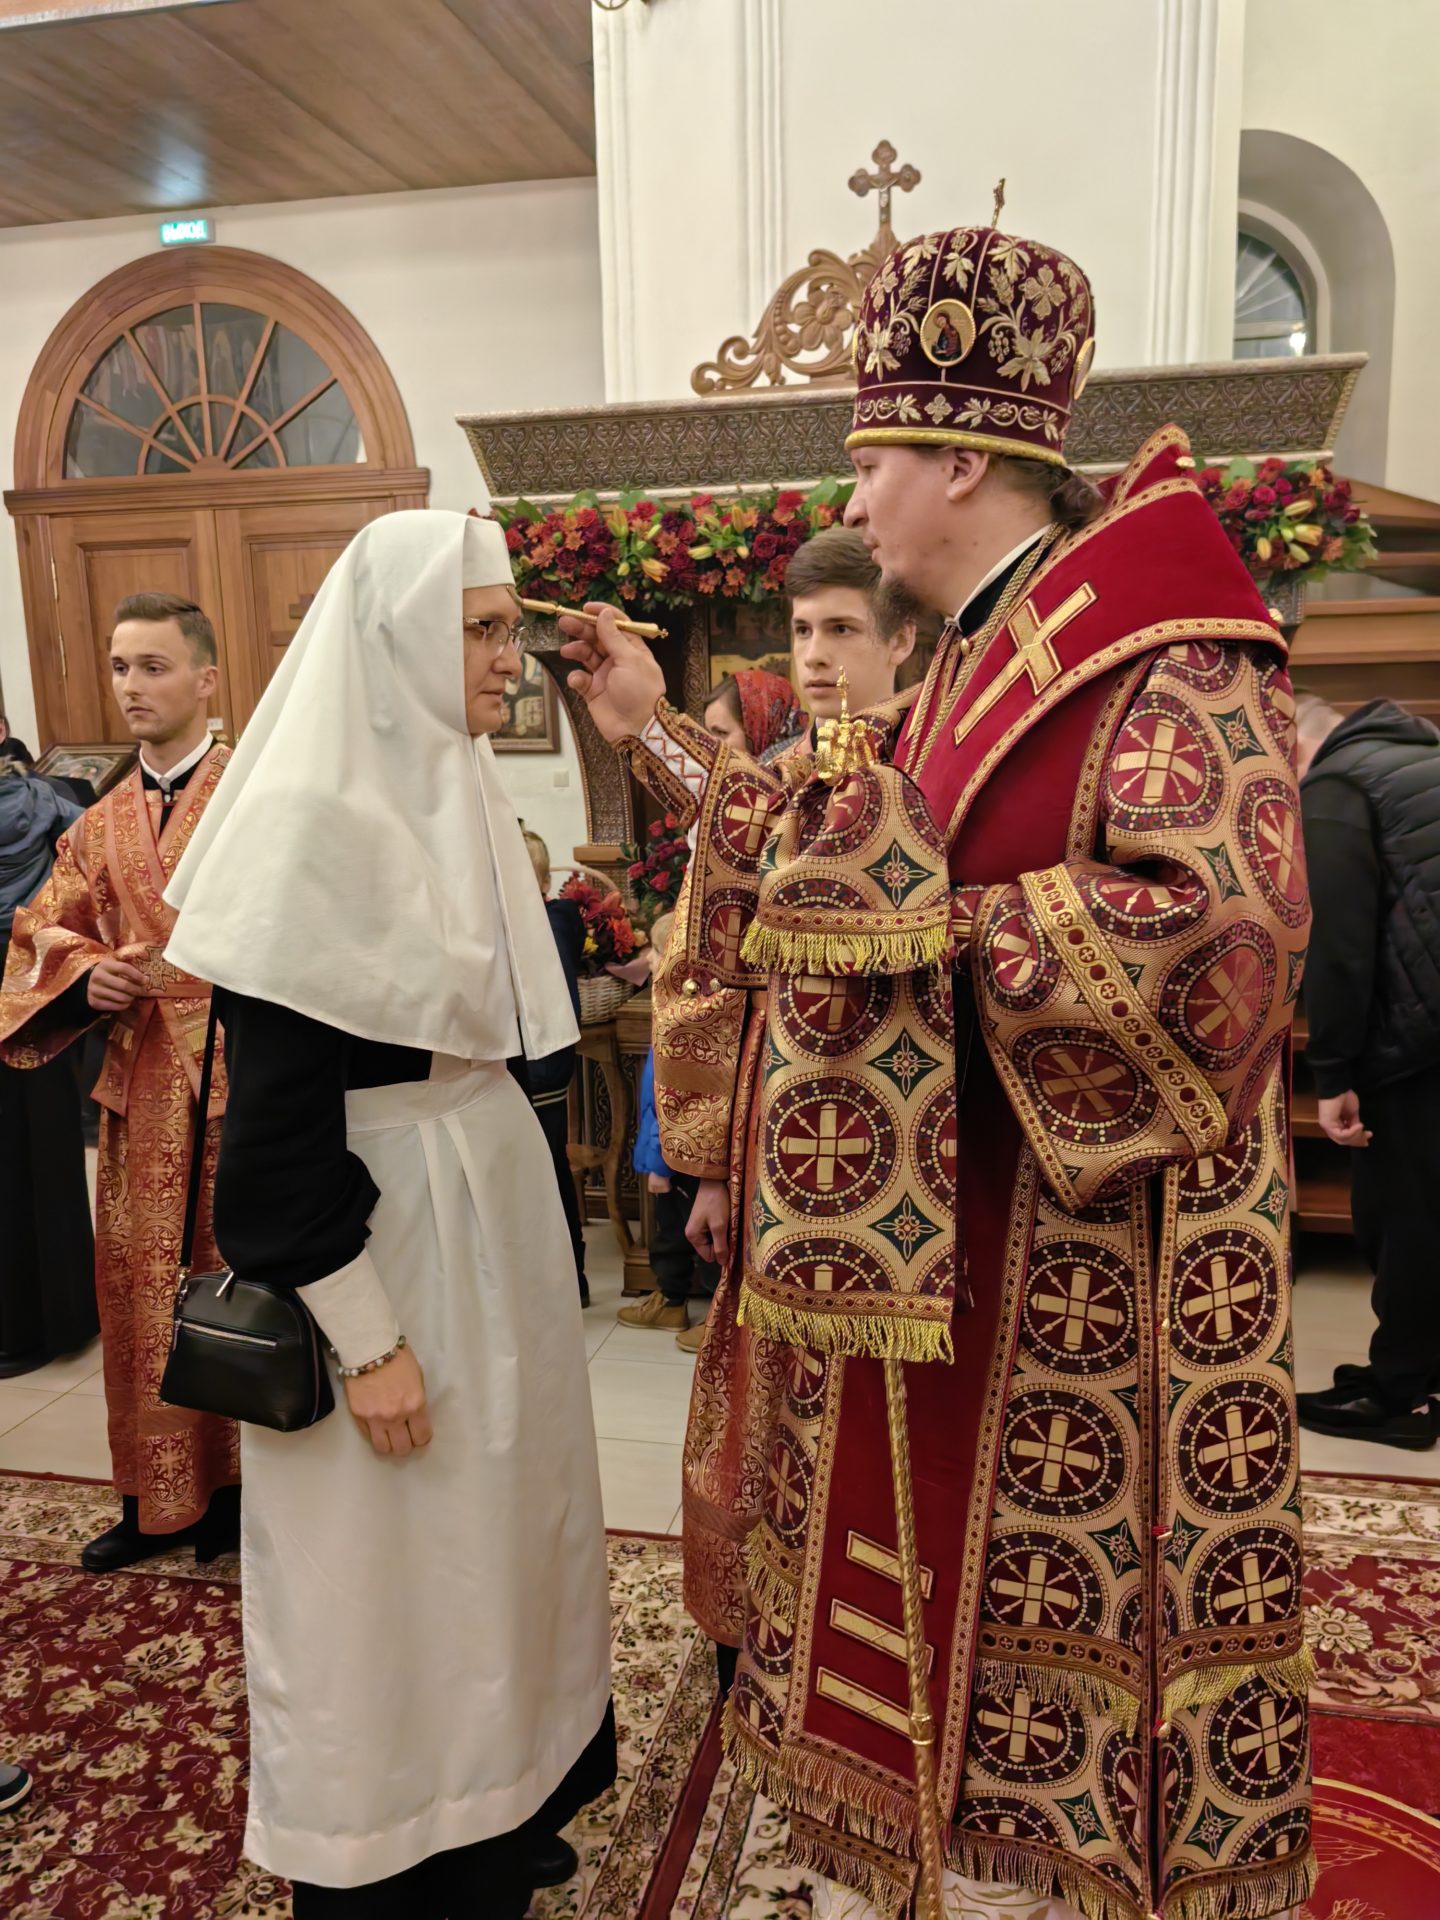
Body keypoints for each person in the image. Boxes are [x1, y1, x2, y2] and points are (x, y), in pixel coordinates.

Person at [564, 221, 1313, 1920]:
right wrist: (652, 736)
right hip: (959, 1260)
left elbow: (1230, 942)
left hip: (1088, 1293)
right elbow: (814, 842)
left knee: (1055, 1700)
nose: (858, 494)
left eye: (872, 460)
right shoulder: (978, 651)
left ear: (960, 460)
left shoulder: (1166, 652)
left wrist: (947, 933)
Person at [165, 510, 615, 1920]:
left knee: (497, 1538)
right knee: (387, 1577)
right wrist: (365, 1339)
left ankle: (498, 1800)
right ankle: (398, 1846)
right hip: (387, 1250)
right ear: (397, 639)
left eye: (509, 628)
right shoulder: (311, 822)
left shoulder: (452, 781)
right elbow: (274, 1145)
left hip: (477, 1222)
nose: (507, 658)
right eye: (480, 630)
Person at [566, 524, 920, 1664]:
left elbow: (776, 842)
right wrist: (710, 1164)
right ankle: (762, 1626)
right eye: (802, 630)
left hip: (895, 1163)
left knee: (877, 1423)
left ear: (901, 642)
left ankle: (865, 1632)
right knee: (765, 1400)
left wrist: (652, 730)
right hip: (777, 1144)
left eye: (843, 630)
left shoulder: (925, 764)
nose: (816, 655)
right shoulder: (785, 774)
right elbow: (715, 951)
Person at [0, 593, 239, 1570]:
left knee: (243, 1284)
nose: (132, 686)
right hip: (141, 1091)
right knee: (141, 1291)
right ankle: (155, 1501)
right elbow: (40, 930)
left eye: (153, 665)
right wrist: (83, 973)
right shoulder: (96, 825)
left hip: (245, 1086)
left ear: (206, 679)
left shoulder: (258, 799)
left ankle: (250, 1495)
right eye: (119, 667)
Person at [1294, 692, 1440, 1450]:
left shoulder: (1337, 783)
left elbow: (1340, 945)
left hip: (1417, 1039)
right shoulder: (1419, 756)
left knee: (1403, 1217)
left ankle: (1400, 1396)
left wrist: (1332, 1072)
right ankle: (1417, 1371)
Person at [0, 758, 96, 1376]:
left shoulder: (50, 805)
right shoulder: (52, 805)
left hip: (30, 997)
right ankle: (64, 1315)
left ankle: (21, 1325)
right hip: (36, 993)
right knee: (45, 1158)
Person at [618, 911, 718, 1347]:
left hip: (680, 1155)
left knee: (700, 1234)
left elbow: (671, 1102)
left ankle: (715, 1319)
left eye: (656, 952)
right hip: (674, 1152)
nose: (648, 958)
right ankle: (670, 1301)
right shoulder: (670, 1010)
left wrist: (659, 1164)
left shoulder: (684, 1023)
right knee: (670, 1231)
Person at [520, 822, 590, 1307]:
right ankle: (563, 1279)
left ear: (544, 883)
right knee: (544, 1171)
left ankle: (567, 1279)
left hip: (537, 1065)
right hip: (538, 1063)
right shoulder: (555, 920)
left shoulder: (548, 922)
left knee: (545, 1173)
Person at [702, 667, 807, 764]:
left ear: (759, 729)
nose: (709, 746)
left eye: (721, 733)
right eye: (709, 735)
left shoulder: (791, 773)